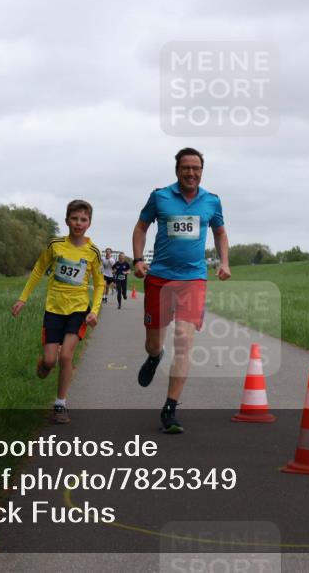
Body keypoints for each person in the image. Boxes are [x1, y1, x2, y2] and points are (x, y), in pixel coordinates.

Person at [132, 147, 230, 434]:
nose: (191, 173)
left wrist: (224, 262)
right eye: (186, 168)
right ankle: (154, 356)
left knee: (184, 340)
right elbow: (140, 228)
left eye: (196, 168)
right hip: (159, 278)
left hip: (193, 279)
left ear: (202, 170)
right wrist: (138, 259)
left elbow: (220, 232)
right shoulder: (160, 196)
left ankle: (170, 408)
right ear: (177, 170)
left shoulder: (212, 201)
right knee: (154, 342)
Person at [11, 200, 104, 424]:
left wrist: (95, 311)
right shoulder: (55, 245)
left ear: (89, 223)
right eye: (74, 219)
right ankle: (44, 364)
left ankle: (60, 404)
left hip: (78, 309)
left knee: (65, 356)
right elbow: (38, 269)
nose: (78, 223)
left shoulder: (93, 252)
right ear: (67, 221)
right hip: (53, 309)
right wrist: (23, 298)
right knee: (51, 360)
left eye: (83, 219)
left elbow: (100, 283)